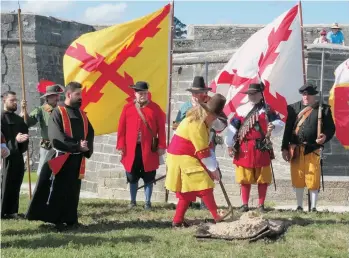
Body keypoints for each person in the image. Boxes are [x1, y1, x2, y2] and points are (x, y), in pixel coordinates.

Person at [26, 82, 94, 231]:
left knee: (74, 190)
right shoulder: (58, 112)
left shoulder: (82, 114)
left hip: (77, 159)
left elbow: (90, 132)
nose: (80, 98)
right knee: (59, 189)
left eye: (80, 94)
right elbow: (56, 136)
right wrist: (76, 146)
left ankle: (71, 220)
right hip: (62, 157)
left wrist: (86, 147)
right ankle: (57, 220)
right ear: (69, 95)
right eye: (78, 94)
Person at [165, 94, 228, 227]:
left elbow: (207, 146)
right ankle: (217, 216)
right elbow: (202, 151)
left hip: (187, 156)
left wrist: (214, 166)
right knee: (203, 184)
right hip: (181, 156)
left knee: (187, 191)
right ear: (207, 111)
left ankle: (177, 221)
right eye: (214, 115)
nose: (215, 118)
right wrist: (213, 170)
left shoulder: (204, 123)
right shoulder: (196, 123)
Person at [225, 83, 284, 212]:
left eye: (254, 93)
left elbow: (279, 122)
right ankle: (245, 204)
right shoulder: (241, 110)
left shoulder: (267, 109)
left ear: (260, 94)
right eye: (249, 94)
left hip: (261, 146)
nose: (251, 96)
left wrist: (273, 125)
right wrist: (229, 144)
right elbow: (232, 129)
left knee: (263, 178)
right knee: (244, 177)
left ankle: (261, 205)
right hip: (244, 147)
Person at [281, 83, 335, 212]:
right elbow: (287, 130)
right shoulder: (293, 108)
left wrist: (324, 137)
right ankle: (299, 206)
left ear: (313, 95)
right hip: (296, 149)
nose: (306, 96)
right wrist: (284, 148)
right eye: (304, 94)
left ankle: (314, 207)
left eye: (308, 94)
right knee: (298, 177)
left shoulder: (324, 109)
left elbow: (331, 128)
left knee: (313, 178)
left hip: (313, 149)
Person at [116, 81, 166, 210]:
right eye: (140, 93)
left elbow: (161, 129)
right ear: (135, 94)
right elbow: (121, 129)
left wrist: (161, 145)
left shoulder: (155, 108)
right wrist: (121, 145)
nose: (143, 95)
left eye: (145, 93)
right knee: (131, 175)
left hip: (149, 148)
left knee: (149, 174)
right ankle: (132, 201)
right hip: (131, 149)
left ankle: (147, 203)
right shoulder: (127, 108)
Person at [20, 84, 64, 176]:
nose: (57, 97)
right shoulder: (40, 110)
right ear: (47, 98)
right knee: (43, 172)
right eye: (54, 95)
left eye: (57, 95)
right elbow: (28, 123)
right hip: (47, 146)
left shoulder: (62, 110)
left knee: (59, 173)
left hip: (61, 146)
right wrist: (24, 111)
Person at [1, 91, 29, 219]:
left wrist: (23, 140)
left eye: (16, 100)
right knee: (3, 185)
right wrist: (14, 141)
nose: (15, 102)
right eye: (12, 100)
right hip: (3, 158)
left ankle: (12, 211)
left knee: (15, 184)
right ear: (4, 101)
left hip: (16, 157)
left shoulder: (19, 120)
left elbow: (24, 138)